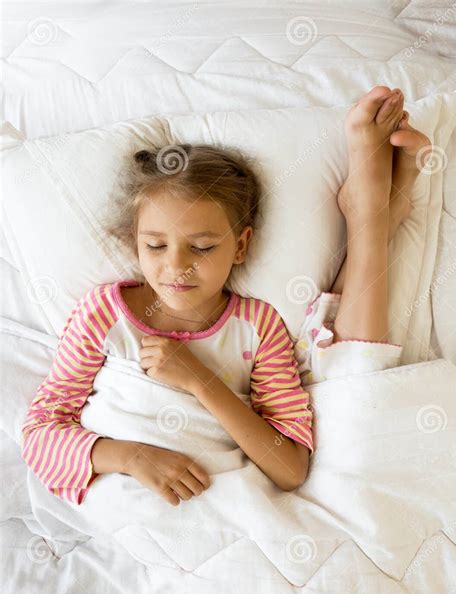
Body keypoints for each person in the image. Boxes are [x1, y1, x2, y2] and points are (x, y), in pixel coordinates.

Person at [20, 85, 431, 508]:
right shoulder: (105, 312)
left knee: (351, 375)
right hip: (132, 505)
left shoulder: (257, 325)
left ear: (240, 246)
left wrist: (200, 380)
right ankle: (376, 218)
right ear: (135, 243)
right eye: (156, 246)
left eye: (201, 247)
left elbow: (290, 468)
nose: (176, 266)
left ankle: (373, 215)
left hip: (228, 504)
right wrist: (131, 455)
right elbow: (39, 435)